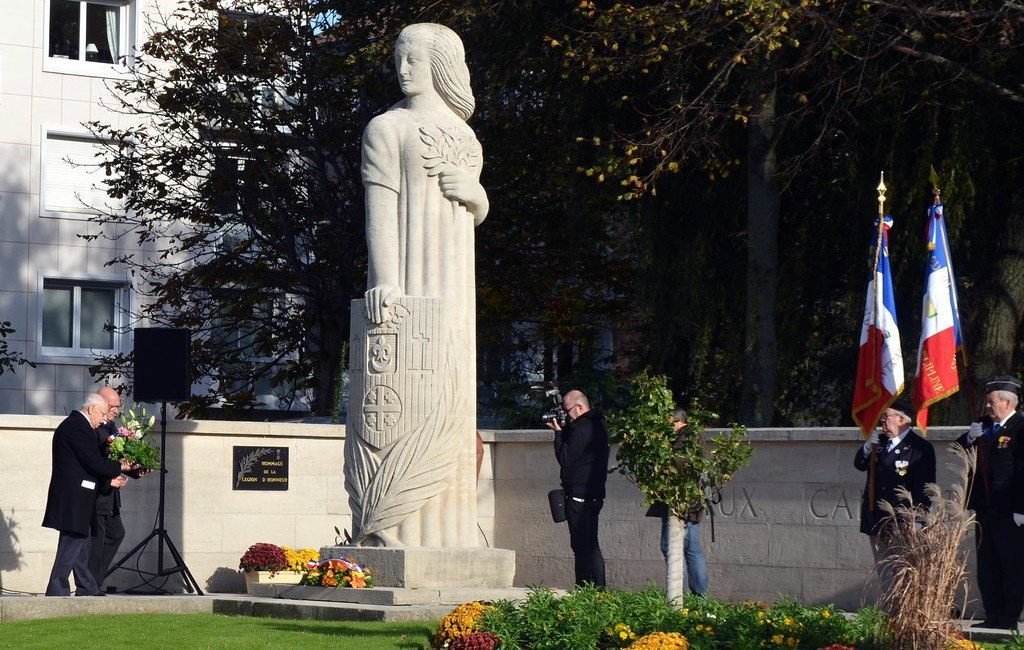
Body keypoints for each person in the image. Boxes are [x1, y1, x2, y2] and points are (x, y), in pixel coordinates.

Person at [43, 394, 133, 596]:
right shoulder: (78, 427)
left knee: (82, 543)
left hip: (79, 494)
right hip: (73, 496)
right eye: (102, 413)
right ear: (92, 408)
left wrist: (111, 476)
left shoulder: (77, 426)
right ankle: (57, 588)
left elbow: (85, 466)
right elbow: (93, 463)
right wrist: (121, 466)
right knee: (72, 542)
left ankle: (87, 587)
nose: (103, 419)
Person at [956, 375, 1024, 630]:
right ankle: (993, 614)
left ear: (1007, 402)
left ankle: (1009, 618)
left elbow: (1022, 472)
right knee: (988, 566)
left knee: (1011, 565)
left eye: (991, 402)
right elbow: (958, 449)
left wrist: (1021, 508)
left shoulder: (1020, 427)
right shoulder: (983, 424)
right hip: (984, 507)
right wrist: (970, 438)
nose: (987, 406)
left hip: (1009, 511)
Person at [853, 399, 936, 599]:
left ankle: (903, 613)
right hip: (876, 518)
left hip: (902, 522)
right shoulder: (879, 443)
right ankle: (892, 612)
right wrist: (867, 447)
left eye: (886, 415)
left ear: (901, 419)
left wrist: (917, 519)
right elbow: (859, 464)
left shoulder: (919, 448)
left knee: (903, 572)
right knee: (885, 571)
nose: (882, 420)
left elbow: (924, 488)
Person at [546, 389, 610, 587]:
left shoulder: (581, 428)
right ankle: (600, 589)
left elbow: (565, 458)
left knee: (580, 547)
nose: (565, 416)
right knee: (592, 544)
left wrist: (558, 433)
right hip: (595, 495)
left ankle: (583, 590)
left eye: (567, 411)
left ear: (580, 407)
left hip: (579, 498)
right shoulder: (600, 424)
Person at [644, 407, 709, 596]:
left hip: (684, 502)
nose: (664, 427)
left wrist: (661, 449)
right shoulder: (686, 435)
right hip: (680, 501)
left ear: (678, 421)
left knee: (683, 548)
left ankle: (690, 595)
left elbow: (679, 462)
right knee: (687, 548)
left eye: (668, 422)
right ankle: (692, 595)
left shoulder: (688, 436)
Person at [90, 387, 145, 591]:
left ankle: (94, 582)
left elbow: (118, 460)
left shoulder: (113, 427)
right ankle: (90, 585)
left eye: (117, 406)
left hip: (111, 496)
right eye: (112, 406)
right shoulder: (93, 428)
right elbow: (94, 463)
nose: (115, 410)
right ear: (100, 404)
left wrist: (136, 470)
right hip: (98, 494)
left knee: (116, 534)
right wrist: (107, 480)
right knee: (97, 541)